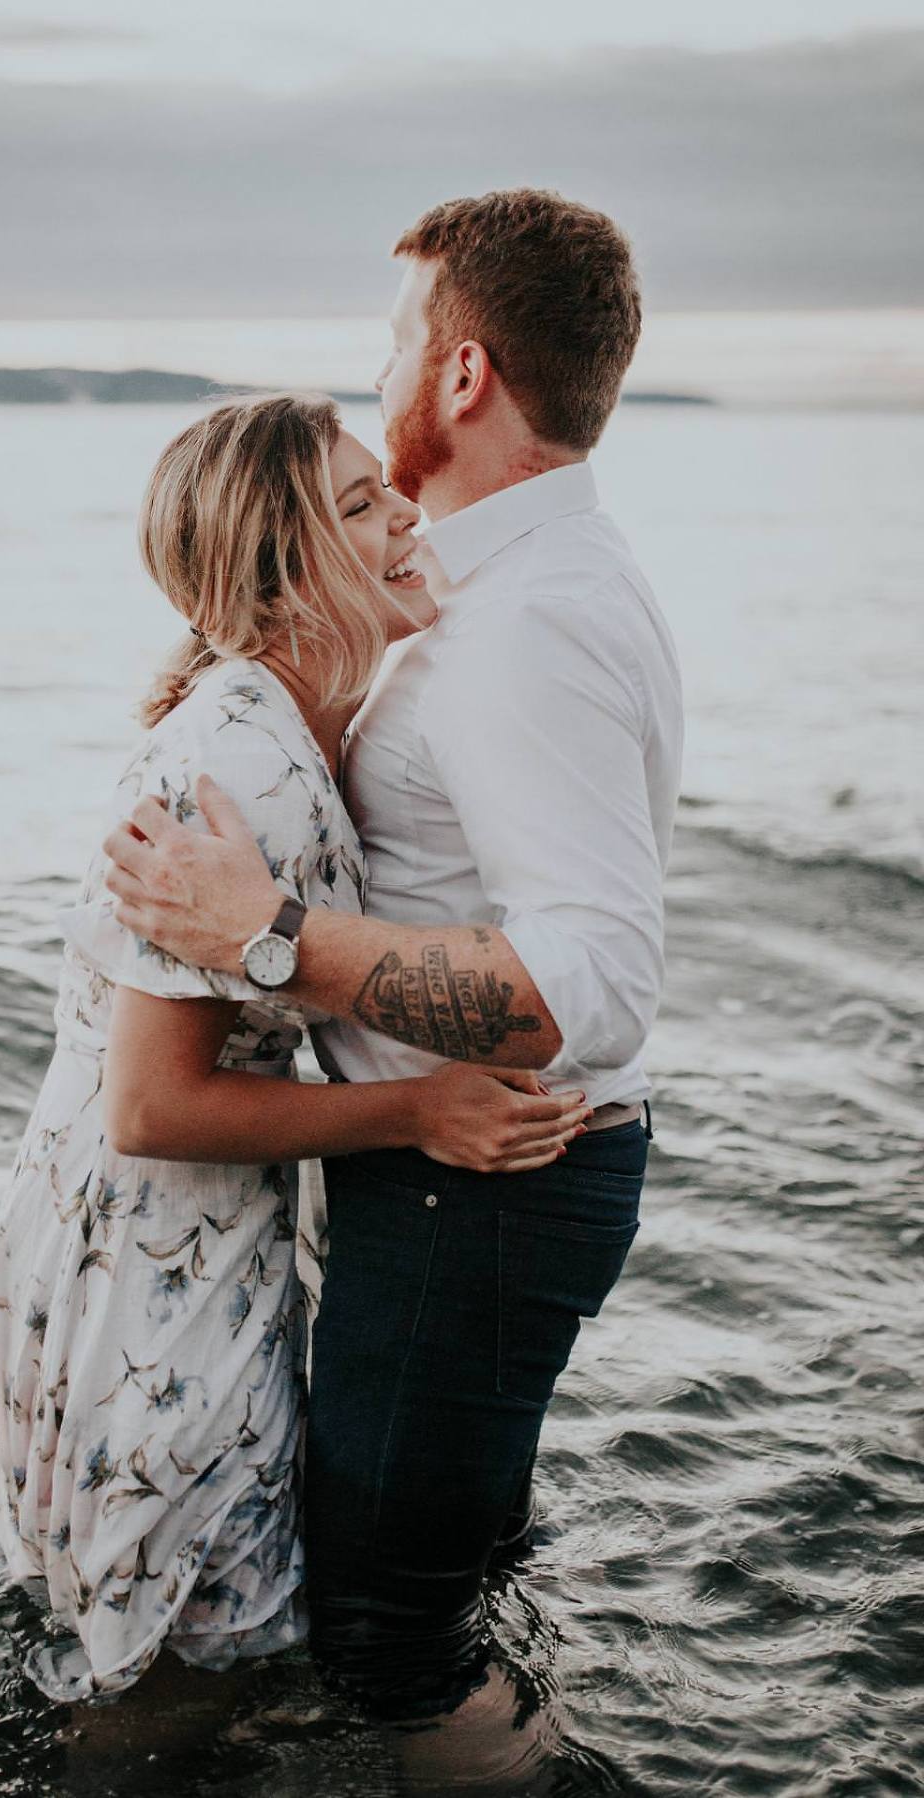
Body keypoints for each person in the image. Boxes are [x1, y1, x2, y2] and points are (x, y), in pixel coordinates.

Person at [101, 188, 685, 1722]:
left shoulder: (525, 625)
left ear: (464, 372)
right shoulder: (518, 583)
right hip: (481, 1183)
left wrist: (272, 938)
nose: (380, 374)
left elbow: (592, 984)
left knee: (388, 1642)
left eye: (394, 339)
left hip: (478, 1189)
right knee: (449, 1571)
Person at [0, 391, 590, 1704]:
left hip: (186, 1249)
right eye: (359, 506)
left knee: (198, 1668)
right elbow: (151, 1103)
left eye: (386, 489)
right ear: (282, 572)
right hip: (150, 1275)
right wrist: (417, 1111)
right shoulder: (232, 770)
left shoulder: (303, 723)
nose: (405, 514)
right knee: (173, 1697)